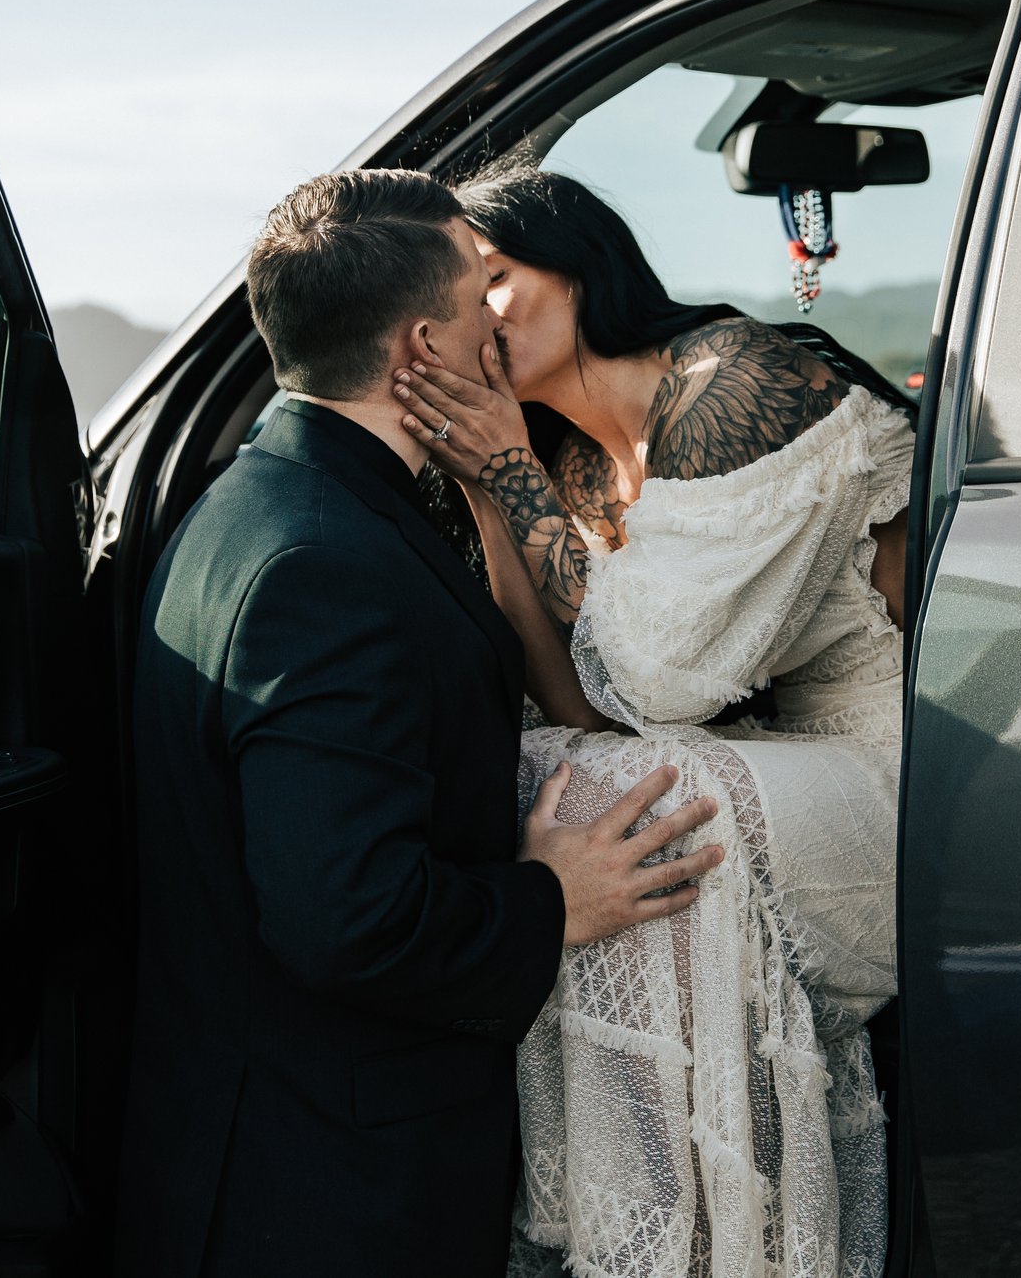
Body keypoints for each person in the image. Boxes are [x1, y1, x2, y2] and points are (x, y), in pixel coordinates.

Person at [116, 167, 725, 1278]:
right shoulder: (324, 566)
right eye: (474, 296)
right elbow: (348, 915)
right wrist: (551, 898)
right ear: (418, 351)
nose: (498, 317)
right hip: (325, 1190)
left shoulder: (264, 504)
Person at [393, 165, 913, 1278]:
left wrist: (503, 467)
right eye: (453, 299)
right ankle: (628, 1229)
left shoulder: (731, 382)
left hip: (901, 765)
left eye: (495, 280)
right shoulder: (566, 456)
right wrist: (493, 487)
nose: (476, 321)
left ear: (579, 266)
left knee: (642, 800)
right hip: (761, 758)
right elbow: (579, 697)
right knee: (548, 769)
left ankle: (693, 1250)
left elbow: (664, 682)